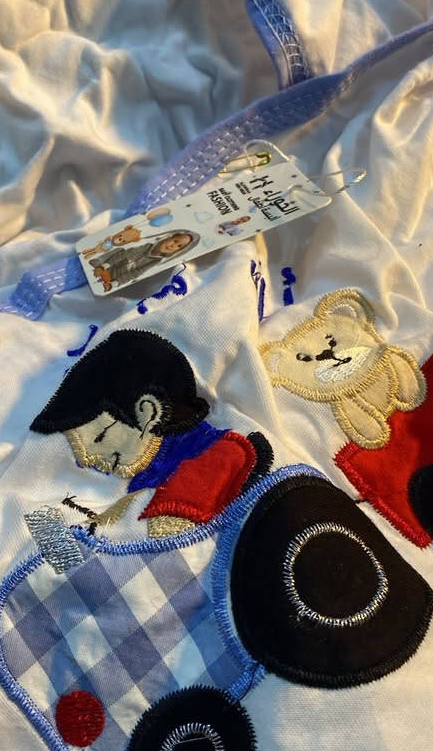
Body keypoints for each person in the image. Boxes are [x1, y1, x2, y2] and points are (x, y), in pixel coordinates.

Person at [30, 328, 272, 536]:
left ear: (148, 412)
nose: (87, 459)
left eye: (100, 437)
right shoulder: (151, 479)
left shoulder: (216, 461)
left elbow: (161, 534)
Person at [88, 228, 199, 291]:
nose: (173, 245)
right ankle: (99, 263)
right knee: (120, 250)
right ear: (169, 238)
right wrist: (103, 266)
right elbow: (124, 254)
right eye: (175, 241)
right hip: (110, 264)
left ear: (177, 252)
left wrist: (114, 284)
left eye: (179, 246)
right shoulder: (147, 246)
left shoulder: (155, 261)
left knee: (123, 276)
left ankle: (107, 280)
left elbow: (135, 274)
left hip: (116, 276)